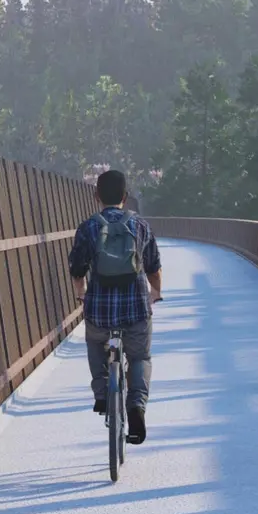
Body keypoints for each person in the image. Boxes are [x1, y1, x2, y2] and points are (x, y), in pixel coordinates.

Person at [69, 169, 163, 444]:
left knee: (95, 343)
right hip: (134, 309)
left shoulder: (88, 227)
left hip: (99, 310)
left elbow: (77, 268)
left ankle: (101, 395)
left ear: (96, 195)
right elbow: (153, 267)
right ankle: (136, 407)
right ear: (125, 196)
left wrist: (81, 293)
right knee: (139, 357)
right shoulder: (140, 226)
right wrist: (155, 292)